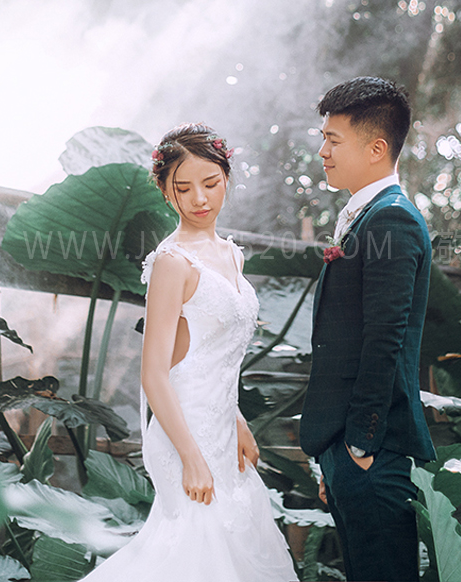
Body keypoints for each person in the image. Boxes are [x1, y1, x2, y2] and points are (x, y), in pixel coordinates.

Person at [79, 123, 297, 582]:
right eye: (183, 188)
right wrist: (191, 457)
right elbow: (155, 374)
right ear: (165, 191)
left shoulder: (232, 255)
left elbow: (212, 353)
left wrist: (237, 419)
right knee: (194, 553)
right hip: (184, 432)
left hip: (222, 426)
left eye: (211, 183)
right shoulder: (171, 263)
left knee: (235, 549)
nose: (200, 198)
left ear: (227, 179)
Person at [300, 77, 435, 582]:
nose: (323, 152)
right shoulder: (366, 215)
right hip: (349, 453)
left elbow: (385, 339)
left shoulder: (392, 221)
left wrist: (360, 445)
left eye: (333, 140)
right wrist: (334, 455)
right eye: (324, 139)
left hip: (374, 454)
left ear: (376, 148)